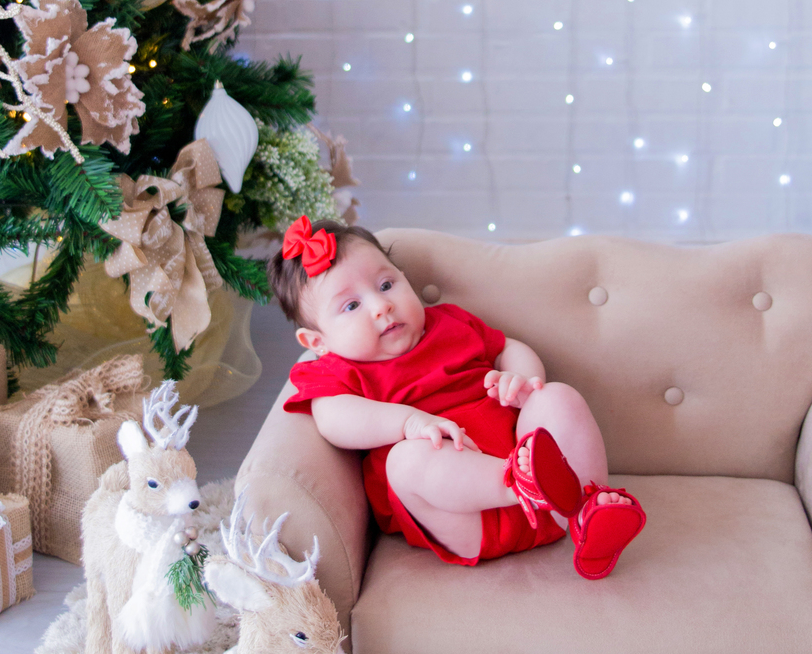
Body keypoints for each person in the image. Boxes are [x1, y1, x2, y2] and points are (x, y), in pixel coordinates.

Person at [271, 216, 645, 577]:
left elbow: (508, 346)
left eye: (386, 285)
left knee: (557, 397)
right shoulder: (336, 371)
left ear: (405, 280)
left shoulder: (449, 322)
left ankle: (586, 509)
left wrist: (520, 379)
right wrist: (408, 421)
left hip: (549, 501)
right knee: (405, 461)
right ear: (317, 342)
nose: (381, 306)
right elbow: (334, 420)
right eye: (351, 306)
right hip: (467, 521)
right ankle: (520, 482)